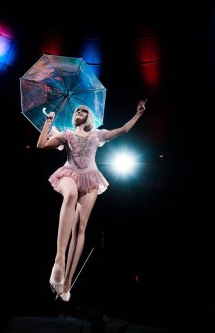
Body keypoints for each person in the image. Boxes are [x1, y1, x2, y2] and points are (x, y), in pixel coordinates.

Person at [36, 99, 147, 301]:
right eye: (77, 110)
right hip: (68, 173)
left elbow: (123, 130)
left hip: (90, 177)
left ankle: (67, 282)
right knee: (69, 194)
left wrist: (138, 114)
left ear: (89, 117)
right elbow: (41, 144)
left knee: (80, 227)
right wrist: (48, 122)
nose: (79, 110)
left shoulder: (98, 134)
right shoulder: (67, 134)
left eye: (83, 109)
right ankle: (58, 261)